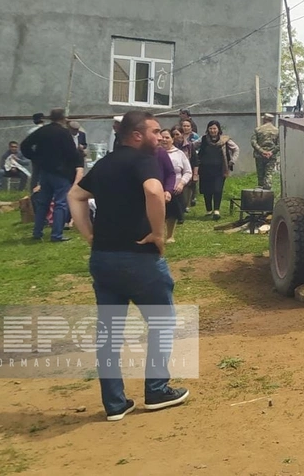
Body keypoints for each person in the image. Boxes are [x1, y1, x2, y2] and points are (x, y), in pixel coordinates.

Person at [67, 110, 189, 422]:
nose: (161, 136)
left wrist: (89, 236)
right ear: (137, 135)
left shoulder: (105, 163)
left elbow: (75, 195)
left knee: (109, 333)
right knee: (162, 322)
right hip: (139, 257)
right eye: (155, 131)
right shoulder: (144, 159)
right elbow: (152, 191)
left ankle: (115, 404)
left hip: (103, 259)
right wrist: (159, 233)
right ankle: (157, 390)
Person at [21, 108, 84, 242]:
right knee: (60, 203)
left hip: (45, 172)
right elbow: (71, 154)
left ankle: (37, 233)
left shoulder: (42, 131)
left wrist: (35, 157)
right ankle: (56, 235)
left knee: (43, 203)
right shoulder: (64, 133)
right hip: (61, 173)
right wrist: (78, 162)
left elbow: (25, 145)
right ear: (62, 118)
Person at [195, 120, 239, 220]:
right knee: (207, 190)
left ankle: (216, 210)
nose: (212, 130)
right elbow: (192, 146)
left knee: (217, 189)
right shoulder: (203, 139)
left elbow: (236, 149)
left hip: (220, 169)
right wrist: (194, 158)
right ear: (208, 129)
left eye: (214, 128)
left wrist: (232, 161)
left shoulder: (225, 140)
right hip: (205, 169)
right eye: (210, 128)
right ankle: (209, 209)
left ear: (218, 129)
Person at [159, 129, 192, 243]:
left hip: (175, 188)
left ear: (172, 139)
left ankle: (170, 235)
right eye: (162, 137)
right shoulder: (154, 153)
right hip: (158, 187)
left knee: (172, 213)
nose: (164, 140)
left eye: (167, 137)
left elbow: (188, 171)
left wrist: (181, 183)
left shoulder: (179, 154)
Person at [251, 113, 279, 189]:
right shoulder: (277, 131)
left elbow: (253, 142)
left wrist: (262, 151)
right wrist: (271, 152)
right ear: (271, 120)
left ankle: (260, 192)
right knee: (268, 174)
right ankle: (268, 191)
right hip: (271, 156)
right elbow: (279, 145)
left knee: (260, 175)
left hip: (259, 155)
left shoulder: (258, 129)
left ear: (264, 119)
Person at [179, 120, 200, 208]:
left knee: (191, 183)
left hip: (191, 160)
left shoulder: (194, 136)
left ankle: (191, 198)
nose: (186, 128)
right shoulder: (179, 135)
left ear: (191, 127)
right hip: (180, 162)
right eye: (184, 126)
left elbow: (198, 147)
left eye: (188, 126)